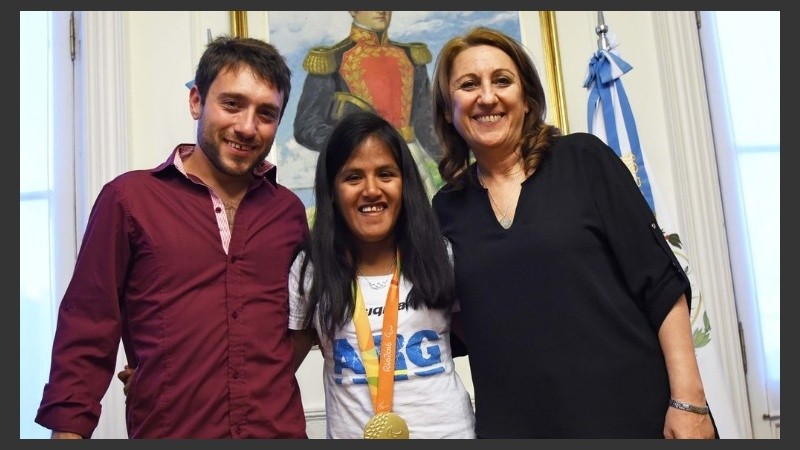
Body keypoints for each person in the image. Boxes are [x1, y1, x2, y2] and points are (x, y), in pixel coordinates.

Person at [429, 27, 718, 439]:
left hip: (636, 414)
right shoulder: (444, 209)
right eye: (469, 84)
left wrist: (689, 401)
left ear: (526, 98)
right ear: (447, 109)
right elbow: (457, 320)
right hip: (523, 427)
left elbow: (661, 285)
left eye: (502, 80)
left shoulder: (584, 161)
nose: (487, 96)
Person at [35, 36, 309, 439]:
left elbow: (298, 325)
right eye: (232, 104)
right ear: (197, 101)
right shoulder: (128, 200)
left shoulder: (287, 211)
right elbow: (87, 326)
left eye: (266, 113)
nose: (247, 127)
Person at [288, 111, 475, 438]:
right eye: (353, 177)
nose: (371, 190)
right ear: (332, 190)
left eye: (386, 174)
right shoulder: (312, 270)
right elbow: (276, 373)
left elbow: (492, 349)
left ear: (405, 184)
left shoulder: (440, 255)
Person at [293, 11, 442, 198]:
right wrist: (353, 146)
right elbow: (307, 126)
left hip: (413, 161)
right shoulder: (331, 60)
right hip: (357, 167)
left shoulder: (411, 58)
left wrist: (451, 165)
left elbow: (424, 124)